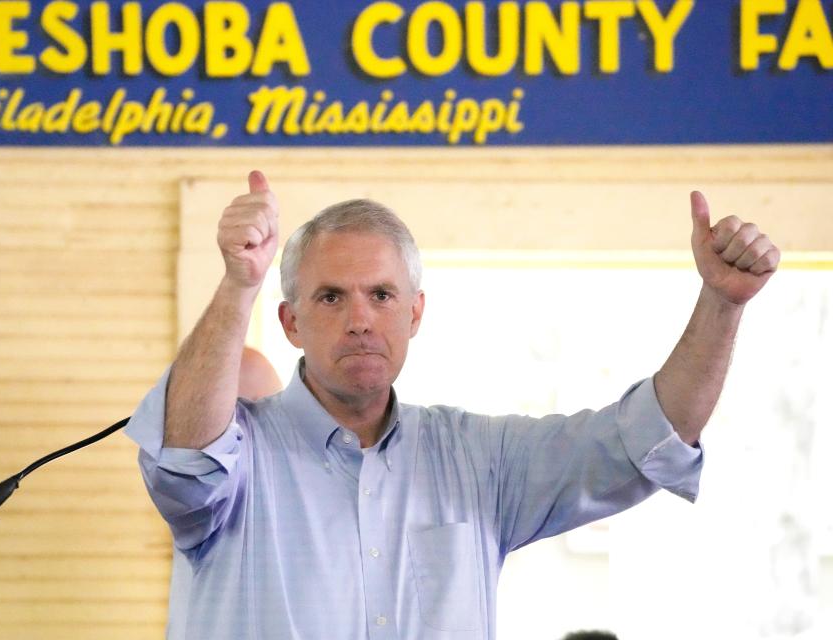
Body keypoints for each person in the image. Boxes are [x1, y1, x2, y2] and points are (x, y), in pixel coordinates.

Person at [125, 170, 780, 640]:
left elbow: (649, 441)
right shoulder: (242, 456)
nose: (359, 319)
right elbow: (186, 459)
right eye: (331, 297)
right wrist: (241, 281)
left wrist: (722, 303)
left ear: (415, 314)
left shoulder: (479, 460)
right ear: (291, 322)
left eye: (381, 295)